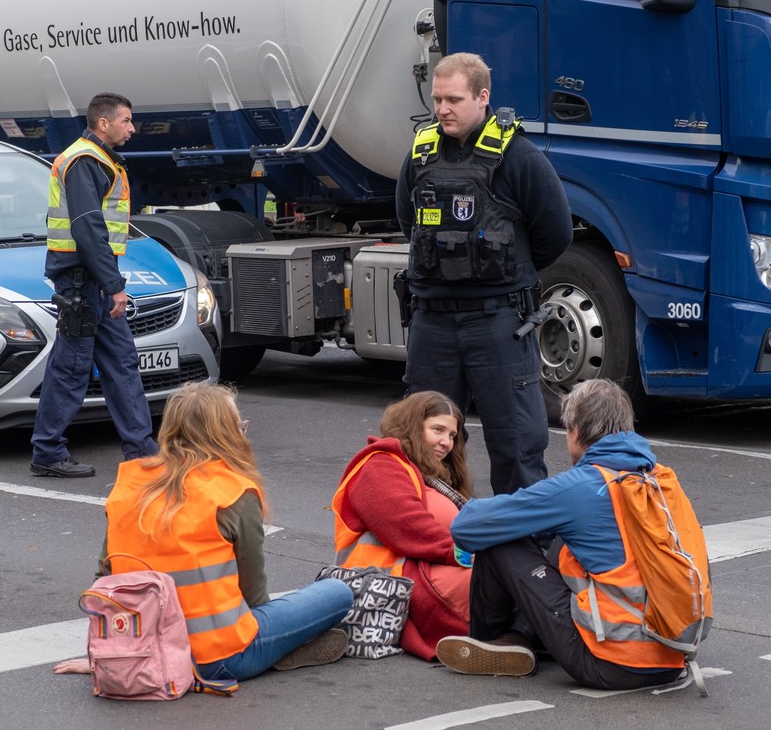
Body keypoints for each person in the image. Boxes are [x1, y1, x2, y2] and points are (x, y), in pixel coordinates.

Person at [56, 381, 355, 681]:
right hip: (220, 659)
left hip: (146, 655)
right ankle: (280, 649)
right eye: (240, 426)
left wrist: (106, 655)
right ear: (225, 435)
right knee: (338, 591)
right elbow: (253, 595)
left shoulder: (130, 487)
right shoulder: (234, 492)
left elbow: (104, 581)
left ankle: (283, 650)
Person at [434, 379, 691, 690]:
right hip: (671, 653)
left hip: (609, 662)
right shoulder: (659, 480)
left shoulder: (583, 484)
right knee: (563, 541)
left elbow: (467, 528)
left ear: (576, 432)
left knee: (498, 538)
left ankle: (494, 640)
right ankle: (523, 636)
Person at [396, 52, 572, 496]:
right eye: (437, 99)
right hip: (432, 321)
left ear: (482, 96)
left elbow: (556, 233)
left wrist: (506, 276)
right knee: (425, 447)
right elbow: (408, 222)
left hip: (498, 322)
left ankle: (522, 555)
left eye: (453, 99)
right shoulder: (420, 155)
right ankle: (440, 545)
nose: (442, 110)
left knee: (516, 446)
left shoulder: (518, 157)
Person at [29, 92, 156, 478]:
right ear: (104, 123)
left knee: (122, 364)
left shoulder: (97, 160)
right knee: (71, 368)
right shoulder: (85, 161)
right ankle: (48, 451)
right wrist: (114, 285)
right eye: (127, 121)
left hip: (93, 282)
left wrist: (109, 284)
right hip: (83, 282)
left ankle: (141, 449)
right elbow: (87, 229)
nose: (132, 128)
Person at [331, 391, 475, 659]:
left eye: (452, 435)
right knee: (493, 580)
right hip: (389, 581)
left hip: (424, 570)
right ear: (412, 425)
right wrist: (468, 554)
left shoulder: (432, 473)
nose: (446, 442)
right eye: (438, 430)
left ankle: (519, 637)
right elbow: (408, 527)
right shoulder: (379, 464)